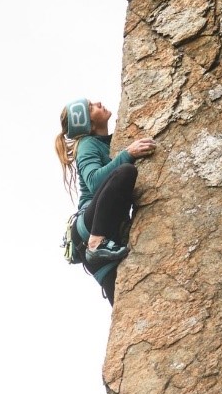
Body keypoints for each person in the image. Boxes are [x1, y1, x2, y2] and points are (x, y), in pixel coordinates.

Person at [55, 98, 156, 303]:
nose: (98, 103)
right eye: (91, 107)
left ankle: (98, 243)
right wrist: (128, 154)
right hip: (91, 228)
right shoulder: (87, 144)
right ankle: (96, 242)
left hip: (104, 248)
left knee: (128, 305)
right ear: (89, 124)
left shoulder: (106, 142)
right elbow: (94, 181)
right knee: (125, 172)